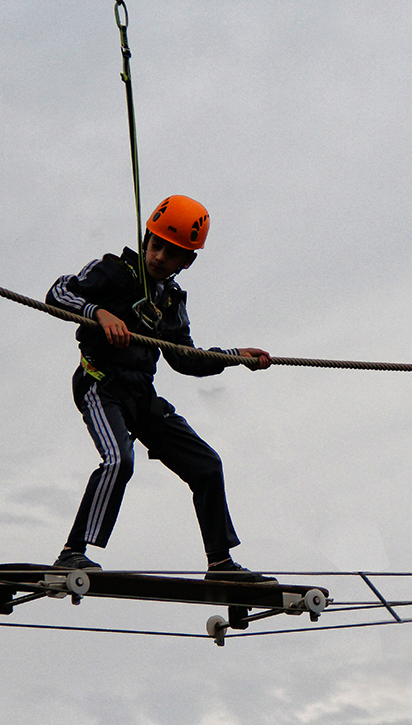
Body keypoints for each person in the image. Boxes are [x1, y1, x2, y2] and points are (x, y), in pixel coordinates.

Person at [45, 194, 275, 583]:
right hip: (100, 386)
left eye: (171, 254)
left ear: (187, 262)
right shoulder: (112, 272)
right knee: (119, 460)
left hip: (141, 397)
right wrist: (98, 313)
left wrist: (236, 356)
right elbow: (58, 293)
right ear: (146, 237)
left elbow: (185, 359)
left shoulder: (171, 300)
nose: (158, 257)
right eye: (155, 245)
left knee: (206, 465)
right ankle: (72, 553)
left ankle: (220, 564)